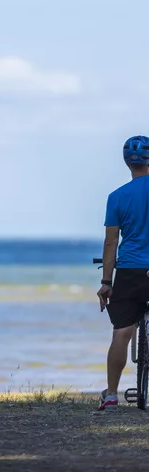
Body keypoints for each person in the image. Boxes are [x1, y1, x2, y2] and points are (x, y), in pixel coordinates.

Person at [97, 135, 149, 411]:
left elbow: (110, 243)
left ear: (127, 162)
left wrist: (106, 281)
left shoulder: (116, 197)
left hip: (130, 270)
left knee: (122, 332)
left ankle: (113, 395)